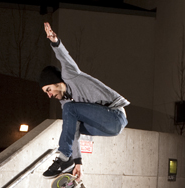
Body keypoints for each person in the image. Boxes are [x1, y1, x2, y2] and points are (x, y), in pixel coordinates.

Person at [39, 22, 129, 179]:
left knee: (70, 111)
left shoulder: (70, 75)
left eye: (49, 90)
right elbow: (72, 134)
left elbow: (64, 57)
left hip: (115, 115)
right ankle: (69, 162)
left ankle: (64, 157)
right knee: (72, 126)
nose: (49, 95)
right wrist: (78, 162)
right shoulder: (68, 104)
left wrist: (55, 41)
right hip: (107, 128)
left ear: (56, 82)